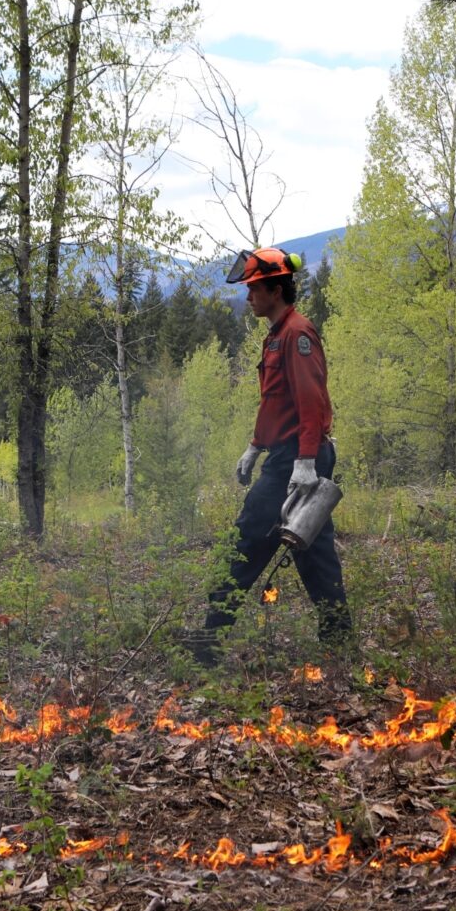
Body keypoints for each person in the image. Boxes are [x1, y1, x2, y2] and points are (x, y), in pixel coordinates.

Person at [191, 247, 351, 665]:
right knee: (312, 552)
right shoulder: (277, 335)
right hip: (285, 454)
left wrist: (304, 463)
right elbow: (277, 404)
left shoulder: (297, 334)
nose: (248, 297)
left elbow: (311, 402)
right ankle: (340, 641)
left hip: (298, 459)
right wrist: (254, 446)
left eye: (255, 290)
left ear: (276, 291)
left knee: (247, 539)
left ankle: (209, 642)